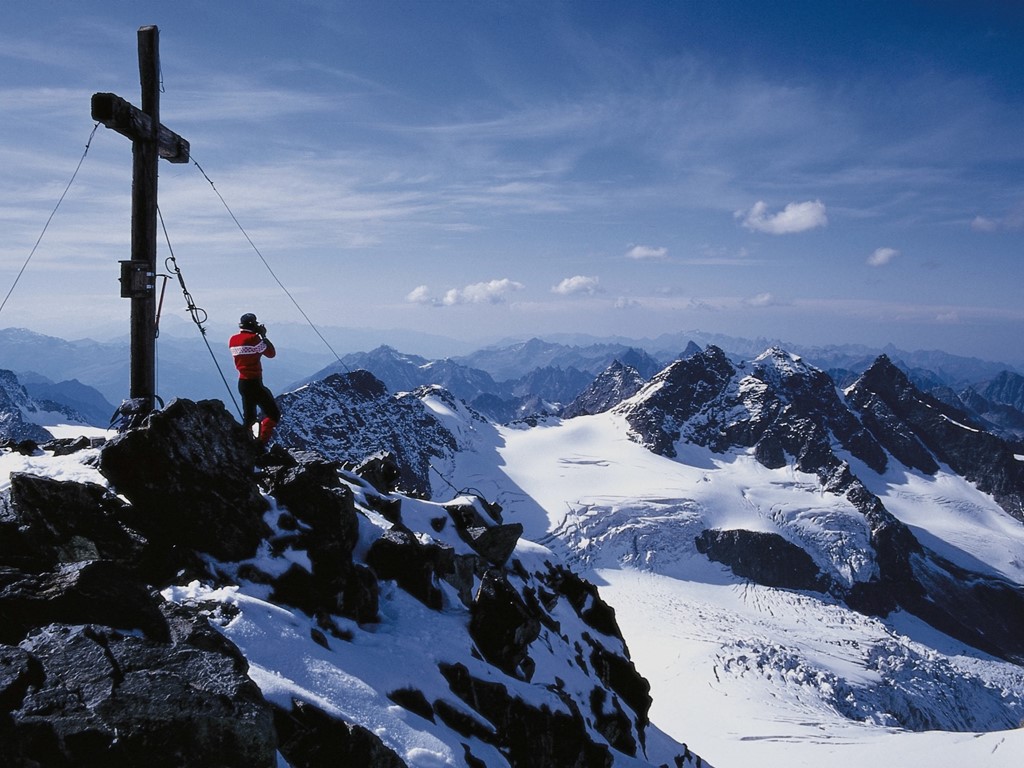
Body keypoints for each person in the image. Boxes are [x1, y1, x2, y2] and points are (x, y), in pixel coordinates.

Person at [229, 312, 280, 446]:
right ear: (252, 325)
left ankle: (244, 445)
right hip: (255, 383)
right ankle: (260, 444)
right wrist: (263, 336)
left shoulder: (232, 340)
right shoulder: (253, 339)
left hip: (242, 383)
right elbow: (271, 353)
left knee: (249, 418)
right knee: (273, 414)